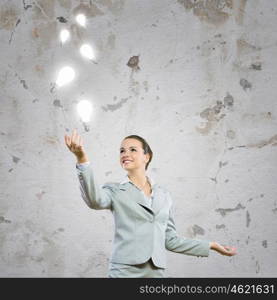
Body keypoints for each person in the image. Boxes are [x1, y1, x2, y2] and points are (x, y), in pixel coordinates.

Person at [64, 129, 237, 278]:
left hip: (156, 273)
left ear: (147, 156)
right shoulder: (114, 190)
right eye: (122, 151)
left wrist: (211, 246)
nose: (125, 154)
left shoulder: (164, 195)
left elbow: (170, 240)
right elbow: (94, 200)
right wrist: (81, 158)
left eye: (133, 149)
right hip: (124, 271)